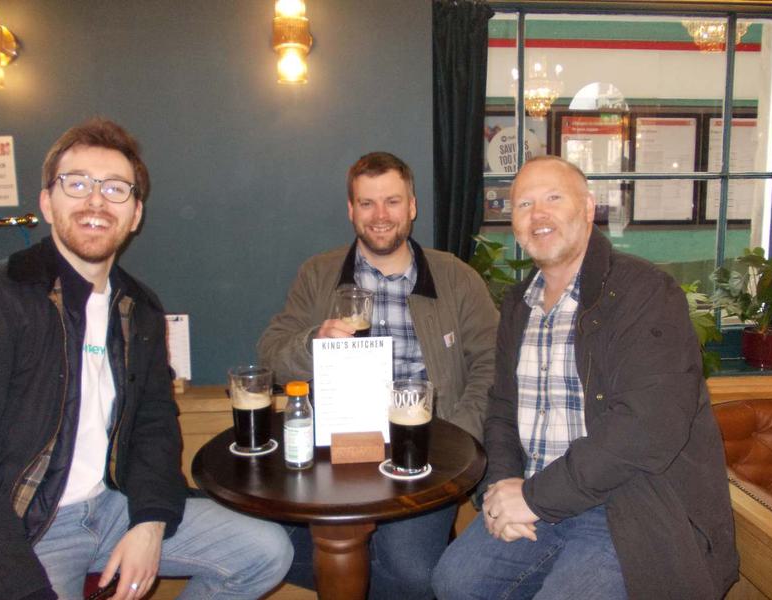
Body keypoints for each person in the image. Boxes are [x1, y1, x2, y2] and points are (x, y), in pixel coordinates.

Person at [0, 118, 293, 600]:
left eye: (115, 188)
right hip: (27, 528)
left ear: (136, 214)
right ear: (46, 202)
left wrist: (149, 522)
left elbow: (154, 424)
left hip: (111, 507)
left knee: (265, 551)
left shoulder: (139, 307)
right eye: (77, 183)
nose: (96, 201)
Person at [432, 155, 738, 600]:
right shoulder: (518, 304)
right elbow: (501, 408)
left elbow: (647, 428)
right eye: (524, 204)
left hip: (625, 503)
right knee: (454, 582)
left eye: (554, 198)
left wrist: (533, 497)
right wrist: (501, 487)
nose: (538, 214)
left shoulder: (645, 293)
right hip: (538, 494)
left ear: (588, 208)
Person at [257, 151, 498, 599]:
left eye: (392, 201)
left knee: (412, 572)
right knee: (268, 543)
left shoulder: (456, 277)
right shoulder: (318, 274)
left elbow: (492, 364)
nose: (380, 215)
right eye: (367, 203)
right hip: (336, 454)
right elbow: (271, 354)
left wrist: (455, 438)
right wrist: (313, 342)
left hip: (426, 454)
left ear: (412, 206)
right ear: (351, 210)